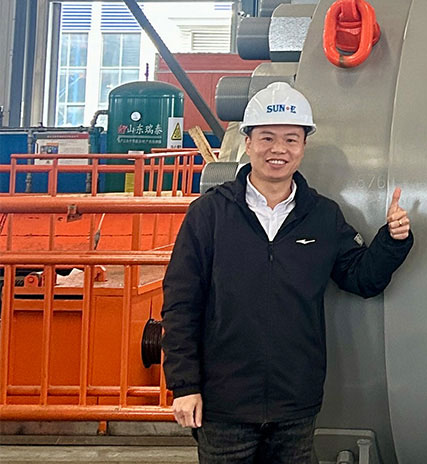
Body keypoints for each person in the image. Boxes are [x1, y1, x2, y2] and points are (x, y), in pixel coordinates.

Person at [162, 81, 413, 464]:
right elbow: (181, 305)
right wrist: (184, 386)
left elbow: (362, 278)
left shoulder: (322, 216)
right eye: (267, 138)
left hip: (295, 407)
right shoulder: (210, 214)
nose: (278, 149)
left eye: (291, 139)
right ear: (248, 142)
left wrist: (393, 239)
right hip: (223, 407)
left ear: (303, 146)